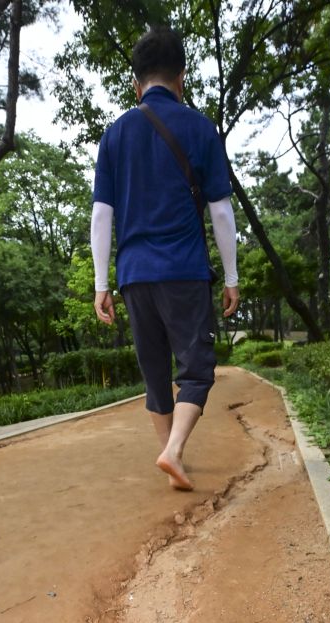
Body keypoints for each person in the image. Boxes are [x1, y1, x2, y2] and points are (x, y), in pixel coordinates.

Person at [91, 26, 240, 491]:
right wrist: (232, 277)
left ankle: (171, 455)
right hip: (184, 269)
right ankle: (174, 451)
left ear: (137, 84)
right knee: (195, 367)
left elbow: (101, 214)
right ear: (181, 77)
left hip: (135, 275)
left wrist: (102, 284)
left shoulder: (115, 135)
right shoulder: (199, 128)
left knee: (155, 371)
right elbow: (219, 210)